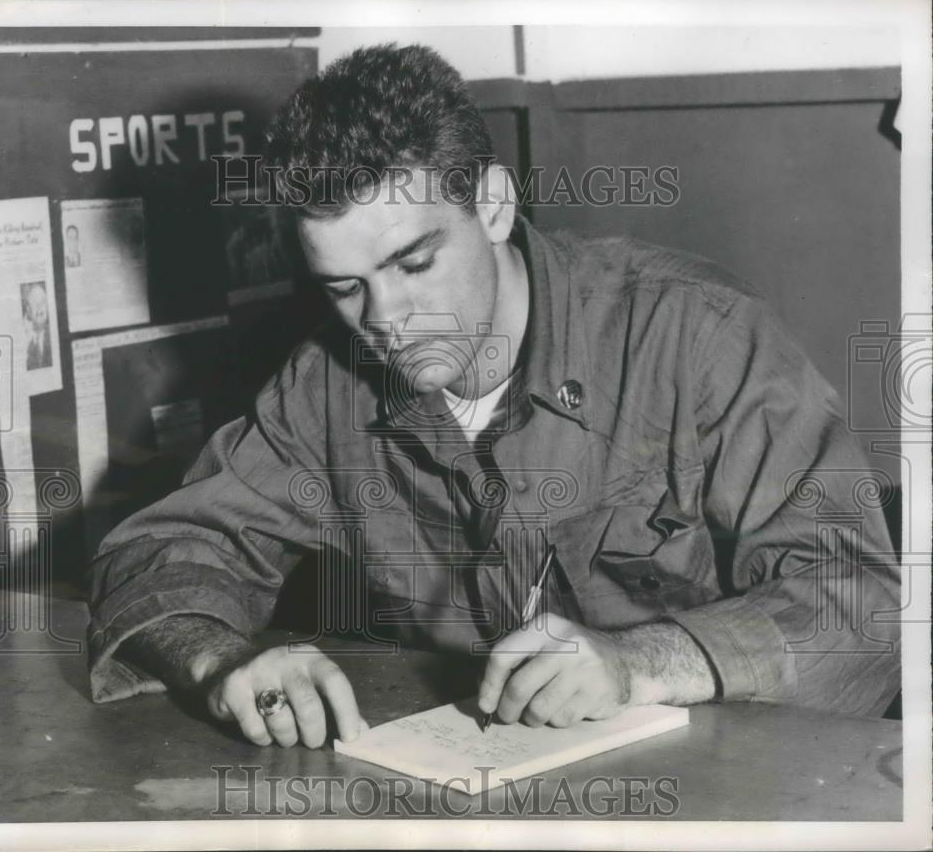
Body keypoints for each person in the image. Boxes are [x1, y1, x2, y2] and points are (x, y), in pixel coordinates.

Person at [87, 44, 900, 749]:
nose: (385, 322)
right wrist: (222, 661)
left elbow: (862, 606)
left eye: (413, 264)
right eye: (344, 287)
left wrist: (639, 664)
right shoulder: (325, 387)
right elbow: (159, 554)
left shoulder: (697, 336)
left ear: (494, 204)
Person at [22, 282, 52, 370]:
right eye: (35, 303)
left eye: (43, 302)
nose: (39, 307)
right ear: (28, 310)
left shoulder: (53, 335)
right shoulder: (25, 340)